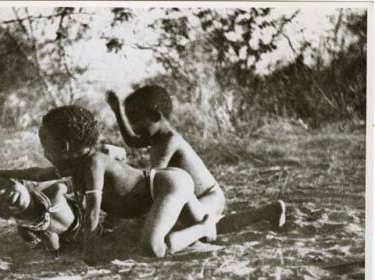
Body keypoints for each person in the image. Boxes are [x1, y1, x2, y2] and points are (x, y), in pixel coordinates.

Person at [0, 105, 285, 259]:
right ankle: (266, 213)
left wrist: (90, 252)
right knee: (205, 231)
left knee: (153, 246)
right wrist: (2, 173)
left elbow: (92, 210)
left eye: (45, 145)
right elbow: (38, 174)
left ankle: (204, 226)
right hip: (167, 186)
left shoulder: (91, 164)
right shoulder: (78, 164)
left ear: (64, 147)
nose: (44, 153)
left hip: (166, 186)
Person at [105, 86, 286, 234]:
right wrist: (117, 112)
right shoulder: (155, 137)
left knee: (208, 226)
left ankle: (267, 211)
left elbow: (153, 180)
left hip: (208, 196)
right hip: (189, 197)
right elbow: (132, 141)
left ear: (155, 116)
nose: (134, 127)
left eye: (136, 119)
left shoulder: (169, 141)